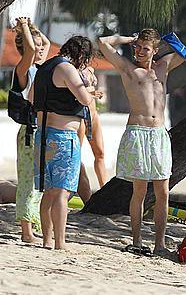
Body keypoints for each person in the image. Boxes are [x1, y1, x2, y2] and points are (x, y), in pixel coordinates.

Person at [98, 17, 186, 256]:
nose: (140, 51)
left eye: (145, 48)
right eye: (138, 47)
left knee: (163, 191)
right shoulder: (129, 69)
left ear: (155, 50)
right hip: (138, 133)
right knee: (139, 191)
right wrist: (129, 38)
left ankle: (160, 244)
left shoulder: (163, 66)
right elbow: (102, 42)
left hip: (159, 135)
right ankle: (136, 240)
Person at [33, 36, 100, 250]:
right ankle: (60, 243)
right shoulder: (67, 68)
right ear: (82, 55)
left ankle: (46, 240)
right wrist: (89, 87)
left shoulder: (45, 68)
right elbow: (84, 100)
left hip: (42, 136)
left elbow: (31, 97)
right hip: (63, 137)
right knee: (62, 193)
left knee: (49, 191)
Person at [12, 17, 50, 243]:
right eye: (36, 47)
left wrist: (32, 28)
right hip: (29, 132)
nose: (41, 49)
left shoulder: (40, 69)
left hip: (41, 131)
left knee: (40, 183)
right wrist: (25, 28)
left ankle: (31, 226)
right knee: (28, 182)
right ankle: (26, 232)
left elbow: (45, 42)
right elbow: (29, 50)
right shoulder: (24, 69)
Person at [77, 66, 107, 192]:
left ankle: (105, 190)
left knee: (100, 153)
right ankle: (85, 193)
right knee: (76, 156)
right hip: (79, 115)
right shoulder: (71, 68)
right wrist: (89, 93)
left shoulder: (90, 69)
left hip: (93, 114)